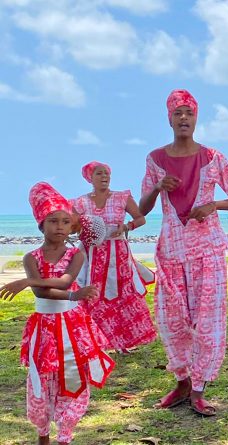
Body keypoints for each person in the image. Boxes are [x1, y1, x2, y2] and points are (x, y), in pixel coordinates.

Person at [139, 89, 228, 416]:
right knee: (172, 320)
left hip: (208, 251)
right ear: (169, 119)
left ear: (196, 117)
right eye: (177, 113)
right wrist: (158, 188)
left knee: (208, 320)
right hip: (171, 251)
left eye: (189, 112)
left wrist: (214, 204)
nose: (183, 118)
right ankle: (182, 381)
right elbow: (142, 210)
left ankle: (199, 388)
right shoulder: (155, 160)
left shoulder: (213, 157)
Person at [0, 182, 114, 445]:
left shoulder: (76, 255)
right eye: (53, 221)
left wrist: (29, 283)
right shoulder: (31, 257)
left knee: (71, 373)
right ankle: (43, 433)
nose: (60, 227)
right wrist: (72, 294)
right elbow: (43, 295)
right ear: (41, 224)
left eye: (65, 221)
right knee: (43, 375)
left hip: (72, 323)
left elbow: (64, 281)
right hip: (45, 326)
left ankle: (65, 435)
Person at [71, 161, 156, 353]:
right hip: (93, 255)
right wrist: (80, 231)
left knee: (122, 293)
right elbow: (72, 224)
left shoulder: (121, 197)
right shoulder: (81, 202)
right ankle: (96, 342)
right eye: (99, 173)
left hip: (118, 254)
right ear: (90, 178)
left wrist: (127, 227)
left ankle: (123, 343)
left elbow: (141, 218)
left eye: (107, 173)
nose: (104, 177)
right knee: (94, 294)